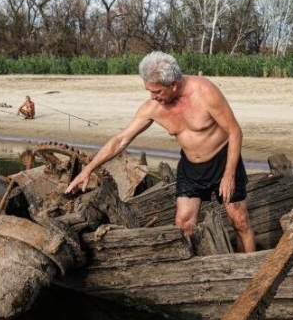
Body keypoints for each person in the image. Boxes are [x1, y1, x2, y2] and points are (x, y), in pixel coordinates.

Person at [65, 51, 255, 253]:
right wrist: (88, 170)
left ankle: (250, 270)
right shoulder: (153, 107)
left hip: (222, 160)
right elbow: (121, 140)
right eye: (149, 90)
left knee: (240, 221)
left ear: (173, 84)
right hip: (191, 167)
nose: (152, 97)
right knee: (184, 224)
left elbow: (235, 131)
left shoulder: (204, 92)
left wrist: (229, 174)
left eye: (156, 91)